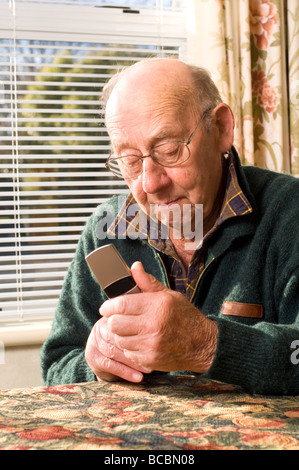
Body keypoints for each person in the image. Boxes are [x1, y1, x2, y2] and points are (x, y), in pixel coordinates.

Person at [40, 58, 299, 395]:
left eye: (169, 150)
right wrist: (94, 364)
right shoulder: (105, 231)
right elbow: (57, 366)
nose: (149, 183)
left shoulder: (289, 213)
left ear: (221, 128)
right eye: (130, 161)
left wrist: (205, 343)